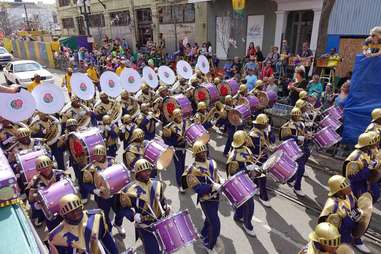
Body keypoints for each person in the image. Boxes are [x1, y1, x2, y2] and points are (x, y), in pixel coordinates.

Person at [118, 159, 170, 254]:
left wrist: (165, 206)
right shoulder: (128, 190)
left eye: (149, 170)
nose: (147, 173)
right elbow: (123, 208)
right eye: (144, 171)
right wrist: (133, 215)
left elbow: (162, 200)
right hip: (144, 226)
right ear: (138, 173)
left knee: (167, 247)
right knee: (153, 251)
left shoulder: (157, 184)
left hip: (160, 223)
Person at [183, 142, 222, 253]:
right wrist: (212, 187)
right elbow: (198, 189)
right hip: (206, 200)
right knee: (215, 224)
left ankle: (204, 233)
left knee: (210, 218)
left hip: (216, 197)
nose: (204, 153)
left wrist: (220, 180)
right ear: (196, 154)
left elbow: (215, 175)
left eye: (205, 151)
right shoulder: (191, 170)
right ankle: (208, 245)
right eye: (200, 152)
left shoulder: (211, 162)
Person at [48, 194, 118, 254]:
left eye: (77, 210)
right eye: (71, 212)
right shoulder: (56, 236)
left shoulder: (96, 217)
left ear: (82, 207)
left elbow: (106, 238)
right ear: (63, 215)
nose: (75, 214)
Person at [319, 175, 371, 253]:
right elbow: (326, 225)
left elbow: (355, 205)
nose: (349, 187)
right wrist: (348, 220)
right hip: (338, 236)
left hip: (348, 232)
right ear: (339, 190)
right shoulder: (332, 204)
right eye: (346, 186)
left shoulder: (349, 195)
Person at [226, 130, 256, 236]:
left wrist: (253, 168)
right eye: (245, 138)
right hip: (238, 183)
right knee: (250, 204)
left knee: (242, 203)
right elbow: (233, 174)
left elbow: (250, 160)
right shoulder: (233, 156)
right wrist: (247, 169)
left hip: (247, 180)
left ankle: (238, 216)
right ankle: (247, 225)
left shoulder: (246, 149)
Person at [27, 155, 65, 229]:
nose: (46, 169)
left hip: (63, 203)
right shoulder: (35, 181)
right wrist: (37, 200)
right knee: (54, 229)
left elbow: (69, 187)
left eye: (47, 166)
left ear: (51, 165)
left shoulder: (60, 174)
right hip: (49, 209)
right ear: (38, 169)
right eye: (42, 168)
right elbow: (31, 199)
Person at [280, 107, 310, 196]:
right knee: (301, 168)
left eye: (298, 116)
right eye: (295, 116)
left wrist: (307, 135)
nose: (297, 117)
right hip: (292, 149)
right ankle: (297, 187)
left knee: (307, 155)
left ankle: (291, 179)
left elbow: (304, 133)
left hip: (302, 147)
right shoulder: (287, 126)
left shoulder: (301, 124)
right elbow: (284, 138)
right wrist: (297, 138)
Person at [247, 114, 275, 207]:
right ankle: (264, 197)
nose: (268, 124)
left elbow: (271, 140)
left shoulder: (264, 131)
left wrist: (270, 133)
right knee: (262, 178)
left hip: (262, 158)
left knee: (260, 177)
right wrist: (266, 148)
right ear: (263, 124)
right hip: (256, 159)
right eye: (266, 123)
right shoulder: (254, 135)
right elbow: (256, 150)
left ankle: (256, 188)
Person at [343, 132, 379, 200]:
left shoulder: (368, 152)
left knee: (375, 194)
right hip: (355, 186)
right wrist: (369, 168)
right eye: (374, 141)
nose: (376, 142)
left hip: (363, 181)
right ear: (368, 145)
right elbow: (352, 178)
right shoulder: (355, 158)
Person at [162, 109, 186, 191]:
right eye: (177, 114)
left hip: (184, 148)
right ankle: (180, 185)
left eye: (180, 113)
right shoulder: (169, 127)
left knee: (183, 165)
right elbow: (166, 141)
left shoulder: (185, 122)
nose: (179, 115)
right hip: (176, 150)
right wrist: (176, 141)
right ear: (173, 116)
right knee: (179, 167)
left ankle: (183, 180)